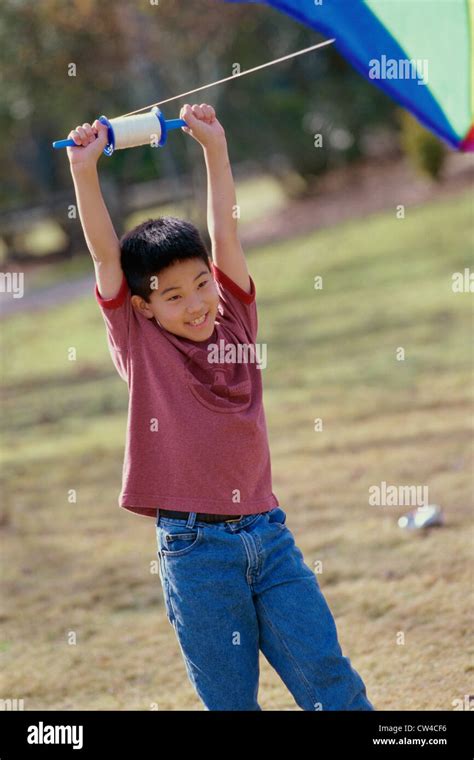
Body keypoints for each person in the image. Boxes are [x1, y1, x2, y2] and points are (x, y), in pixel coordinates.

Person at [66, 103, 375, 711]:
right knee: (231, 703)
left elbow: (226, 231)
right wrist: (85, 169)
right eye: (173, 295)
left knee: (331, 681)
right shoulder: (142, 343)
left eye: (201, 283)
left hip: (269, 535)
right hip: (195, 552)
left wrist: (214, 149)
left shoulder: (236, 316)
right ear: (145, 307)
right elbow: (107, 259)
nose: (195, 303)